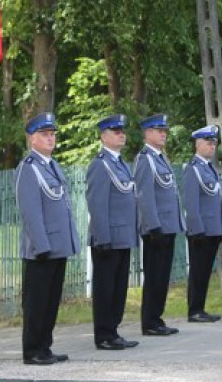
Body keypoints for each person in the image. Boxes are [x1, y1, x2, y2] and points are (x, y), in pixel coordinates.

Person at [16, 112, 79, 365]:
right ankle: (32, 349)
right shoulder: (28, 168)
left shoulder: (51, 166)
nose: (50, 139)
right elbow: (31, 211)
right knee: (37, 302)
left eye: (52, 134)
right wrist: (42, 244)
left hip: (58, 245)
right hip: (41, 248)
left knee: (51, 300)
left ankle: (45, 346)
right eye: (44, 134)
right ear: (32, 138)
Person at [85, 114, 140, 351]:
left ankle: (114, 330)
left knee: (118, 288)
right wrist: (103, 236)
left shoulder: (120, 164)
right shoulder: (100, 164)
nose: (121, 135)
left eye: (122, 131)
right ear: (103, 136)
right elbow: (97, 204)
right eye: (115, 131)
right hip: (107, 237)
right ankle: (104, 334)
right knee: (105, 288)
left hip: (123, 236)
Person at [134, 114, 184, 336]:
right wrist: (153, 225)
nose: (164, 134)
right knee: (155, 275)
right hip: (157, 228)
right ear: (147, 134)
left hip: (168, 225)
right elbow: (144, 195)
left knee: (163, 275)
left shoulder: (161, 158)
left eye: (165, 130)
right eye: (158, 130)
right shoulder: (145, 159)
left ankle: (157, 317)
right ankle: (150, 321)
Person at [181, 125, 222, 323]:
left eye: (214, 143)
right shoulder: (193, 169)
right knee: (198, 271)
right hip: (202, 231)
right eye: (209, 143)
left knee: (205, 271)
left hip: (213, 229)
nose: (212, 147)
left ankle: (200, 307)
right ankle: (194, 310)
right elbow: (191, 202)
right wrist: (197, 228)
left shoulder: (209, 168)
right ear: (198, 144)